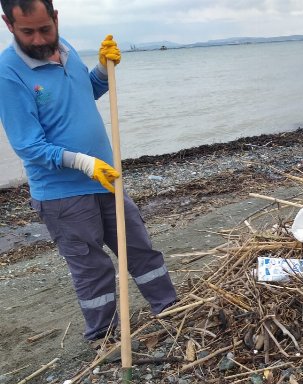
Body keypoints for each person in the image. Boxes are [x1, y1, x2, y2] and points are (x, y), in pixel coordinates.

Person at [0, 0, 177, 341]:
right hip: (63, 195)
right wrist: (83, 162)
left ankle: (170, 309)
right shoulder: (8, 74)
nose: (38, 40)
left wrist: (101, 70)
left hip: (105, 180)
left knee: (139, 247)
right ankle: (104, 337)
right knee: (93, 269)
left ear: (56, 18)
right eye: (27, 32)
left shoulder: (63, 48)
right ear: (8, 24)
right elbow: (28, 145)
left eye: (45, 29)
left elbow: (85, 93)